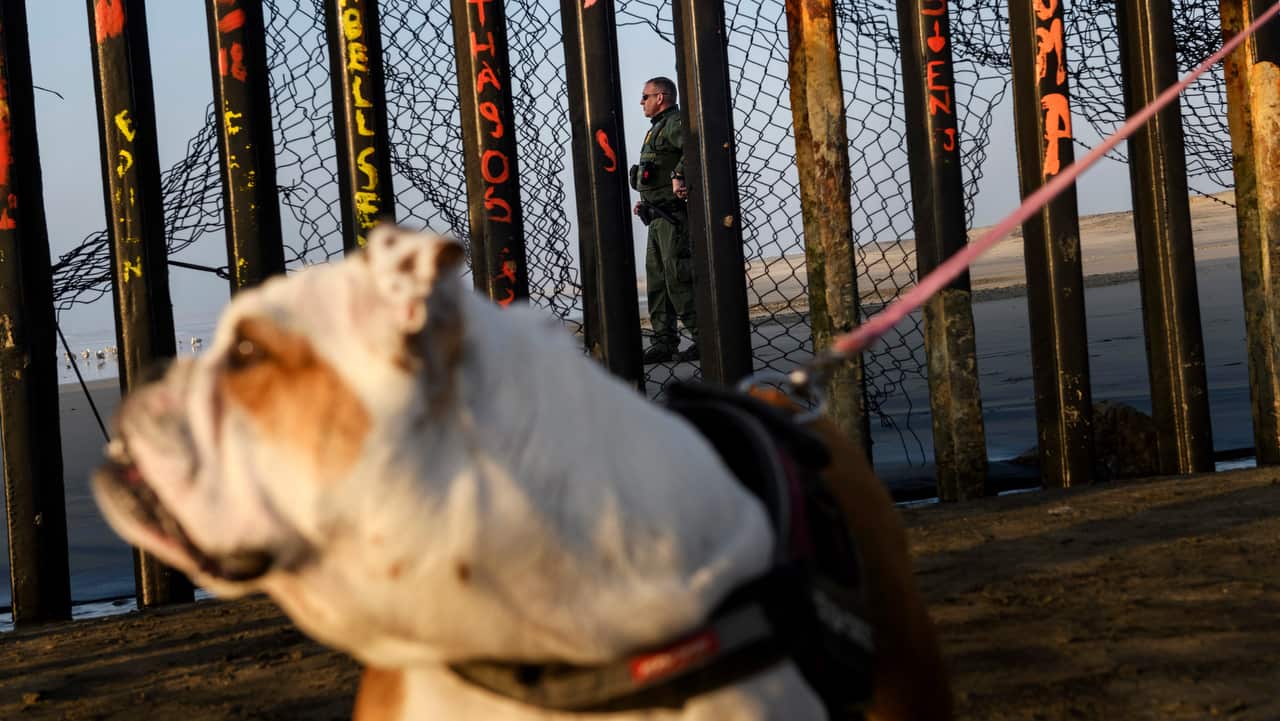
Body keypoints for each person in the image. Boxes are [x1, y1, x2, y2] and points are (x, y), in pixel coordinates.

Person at [630, 76, 698, 364]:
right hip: (656, 216)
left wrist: (679, 175)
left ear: (661, 97)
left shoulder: (674, 122)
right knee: (657, 280)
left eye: (645, 96)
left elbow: (693, 148)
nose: (642, 102)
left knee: (677, 277)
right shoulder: (655, 129)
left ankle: (702, 335)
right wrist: (646, 199)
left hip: (673, 217)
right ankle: (664, 341)